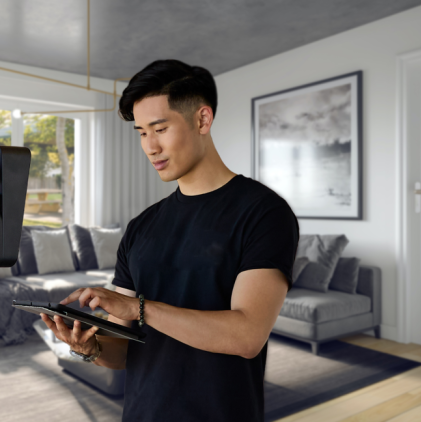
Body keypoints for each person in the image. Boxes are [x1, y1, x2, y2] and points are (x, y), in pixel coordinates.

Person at [40, 59, 299, 421]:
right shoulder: (141, 226)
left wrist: (140, 308)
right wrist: (89, 347)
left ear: (202, 120)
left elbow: (247, 336)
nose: (150, 146)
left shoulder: (264, 212)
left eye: (160, 128)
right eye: (142, 132)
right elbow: (124, 352)